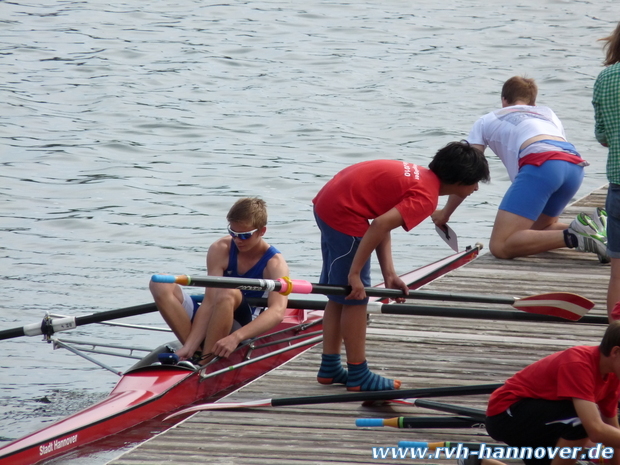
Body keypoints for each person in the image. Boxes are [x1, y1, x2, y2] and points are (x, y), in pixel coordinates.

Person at [312, 141, 490, 391]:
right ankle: (358, 373)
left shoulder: (421, 177)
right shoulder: (426, 197)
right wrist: (355, 273)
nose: (476, 189)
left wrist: (389, 274)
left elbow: (381, 221)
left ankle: (329, 368)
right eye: (475, 183)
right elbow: (379, 225)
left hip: (331, 202)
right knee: (355, 296)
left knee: (339, 293)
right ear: (460, 181)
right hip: (344, 212)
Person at [432, 76, 608, 262]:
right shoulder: (547, 114)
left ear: (503, 100)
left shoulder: (487, 120)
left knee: (500, 245)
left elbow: (468, 171)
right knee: (534, 232)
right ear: (533, 103)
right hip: (574, 167)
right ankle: (602, 234)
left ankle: (576, 237)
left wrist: (445, 214)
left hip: (541, 165)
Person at [149, 197, 290, 365]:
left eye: (245, 235)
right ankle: (195, 352)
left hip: (243, 323)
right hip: (215, 311)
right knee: (160, 284)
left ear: (262, 231)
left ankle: (204, 364)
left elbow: (277, 312)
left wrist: (236, 337)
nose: (238, 240)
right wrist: (190, 344)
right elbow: (209, 301)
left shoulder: (275, 264)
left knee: (227, 290)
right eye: (233, 233)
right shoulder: (220, 249)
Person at [475, 321, 620, 465]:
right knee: (580, 420)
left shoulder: (613, 376)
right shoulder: (579, 364)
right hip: (506, 415)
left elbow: (612, 431)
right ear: (615, 352)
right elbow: (595, 430)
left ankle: (479, 462)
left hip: (546, 420)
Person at [593, 21, 620, 322]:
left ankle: (616, 340)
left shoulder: (606, 77)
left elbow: (602, 136)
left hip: (618, 187)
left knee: (618, 276)